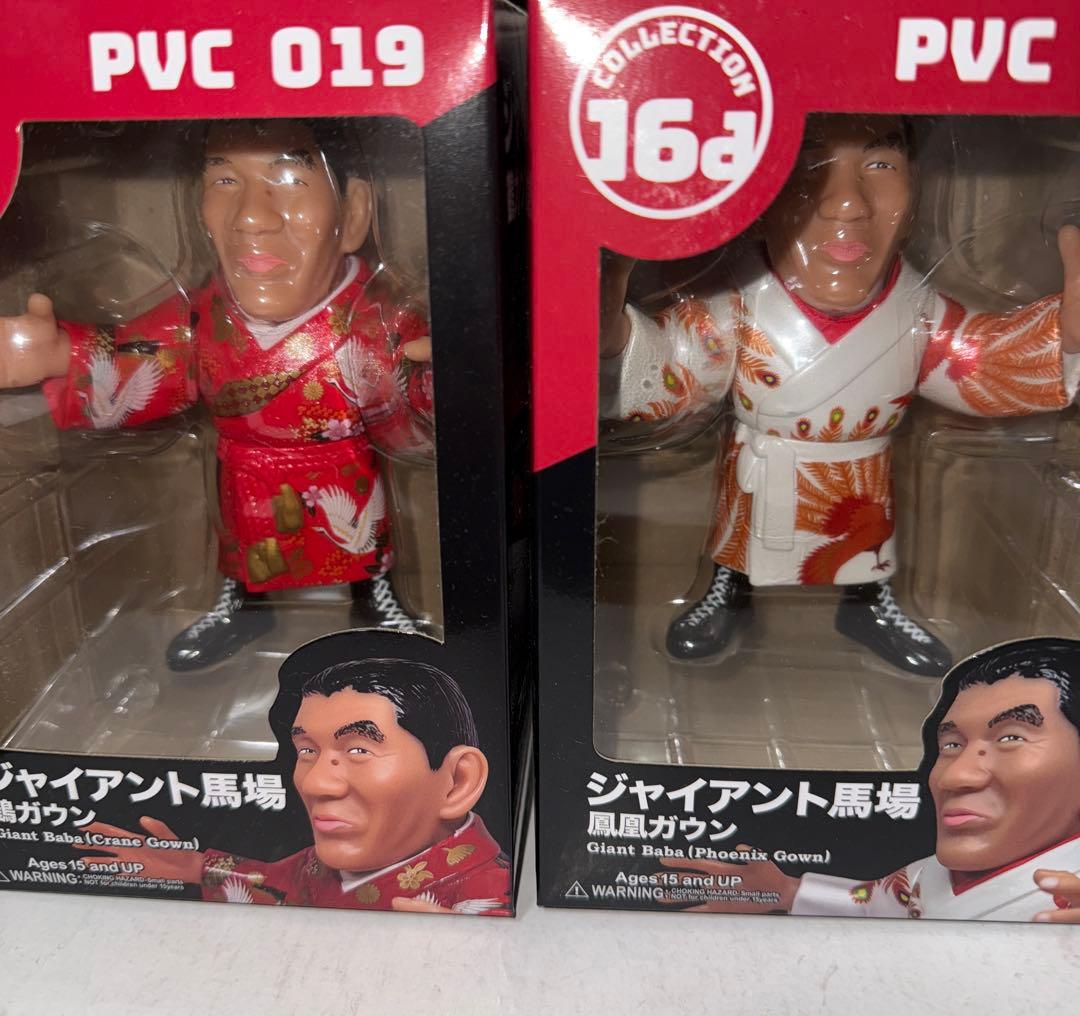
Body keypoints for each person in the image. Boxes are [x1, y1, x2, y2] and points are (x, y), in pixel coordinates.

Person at [600, 113, 1080, 675]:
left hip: (861, 466)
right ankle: (728, 591)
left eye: (881, 164)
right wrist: (608, 330)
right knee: (744, 537)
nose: (848, 203)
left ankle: (869, 605)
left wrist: (1065, 335)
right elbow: (676, 367)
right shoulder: (737, 305)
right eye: (809, 166)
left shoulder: (917, 312)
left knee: (866, 546)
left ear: (917, 186)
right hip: (766, 465)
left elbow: (980, 363)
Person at [0, 119, 433, 670]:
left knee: (361, 539)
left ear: (352, 215)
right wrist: (61, 355)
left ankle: (375, 602)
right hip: (246, 472)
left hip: (341, 468)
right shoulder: (201, 316)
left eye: (290, 180)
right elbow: (144, 356)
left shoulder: (376, 318)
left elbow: (415, 399)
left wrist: (447, 376)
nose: (251, 217)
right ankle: (242, 607)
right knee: (243, 545)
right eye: (224, 181)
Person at [661, 637, 1080, 922]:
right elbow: (868, 901)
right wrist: (789, 891)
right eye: (952, 745)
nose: (955, 776)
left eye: (1010, 738)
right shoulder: (929, 875)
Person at [75, 650, 512, 915]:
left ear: (457, 781)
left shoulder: (488, 897)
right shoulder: (322, 865)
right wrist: (193, 867)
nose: (316, 784)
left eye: (358, 750)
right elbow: (276, 883)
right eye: (307, 751)